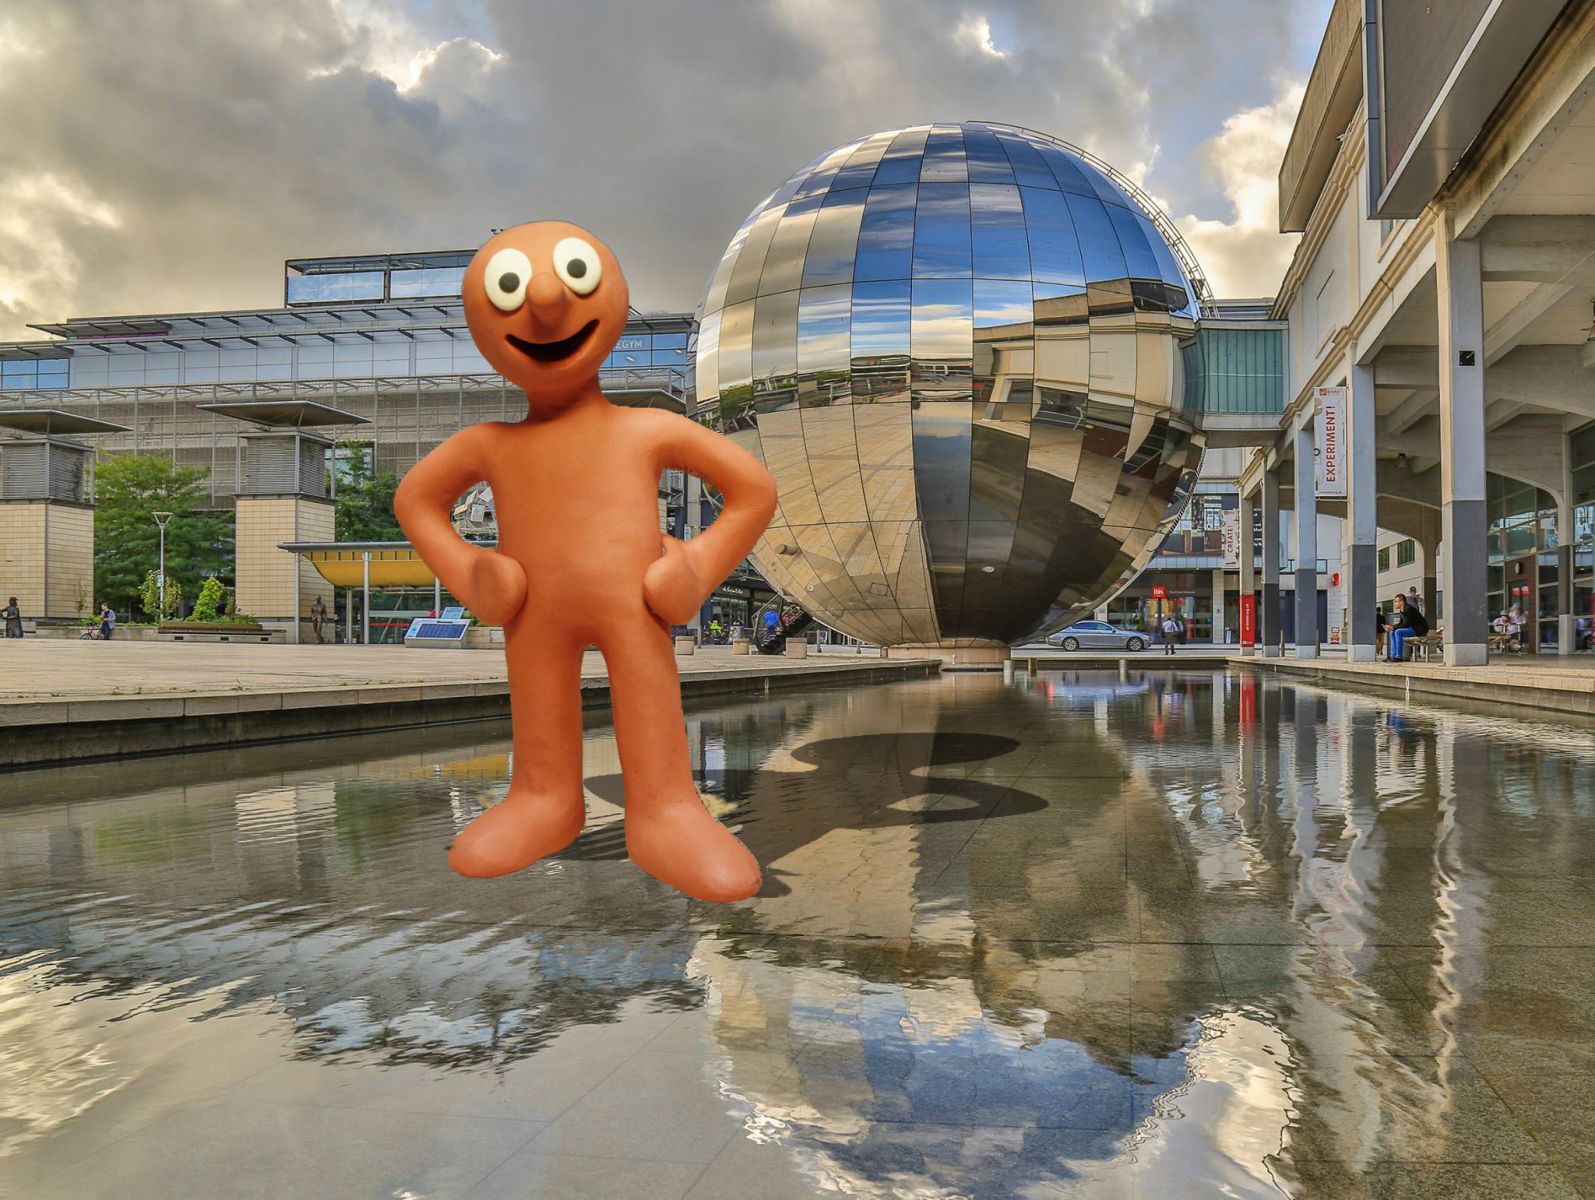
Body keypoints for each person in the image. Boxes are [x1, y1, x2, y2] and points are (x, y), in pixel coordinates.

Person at [1385, 593, 1428, 663]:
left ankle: (1398, 657)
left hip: (1419, 629)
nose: (1395, 604)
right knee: (1392, 632)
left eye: (1396, 601)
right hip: (1411, 628)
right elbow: (1401, 623)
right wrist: (1391, 627)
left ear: (1402, 602)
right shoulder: (1402, 610)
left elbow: (1406, 624)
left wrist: (1393, 628)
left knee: (1397, 632)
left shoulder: (1408, 609)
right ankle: (1392, 656)